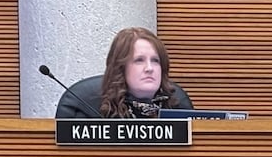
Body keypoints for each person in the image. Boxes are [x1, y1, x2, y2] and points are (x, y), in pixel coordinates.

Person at [54, 26, 194, 118]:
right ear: (120, 67)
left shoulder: (177, 105)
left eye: (155, 61)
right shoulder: (88, 108)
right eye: (139, 60)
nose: (149, 68)